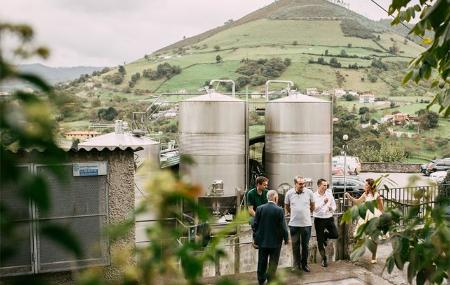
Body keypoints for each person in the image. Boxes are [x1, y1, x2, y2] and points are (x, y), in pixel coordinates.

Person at [252, 190, 289, 285]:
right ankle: (270, 280)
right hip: (276, 242)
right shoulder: (279, 210)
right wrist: (286, 239)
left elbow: (254, 225)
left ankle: (261, 280)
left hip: (262, 241)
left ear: (267, 198)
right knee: (273, 262)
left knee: (262, 262)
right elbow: (284, 227)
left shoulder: (260, 209)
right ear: (275, 198)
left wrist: (255, 239)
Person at [345, 178, 384, 264]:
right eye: (365, 184)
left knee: (374, 238)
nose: (364, 186)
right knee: (359, 236)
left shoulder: (377, 195)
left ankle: (374, 256)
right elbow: (357, 202)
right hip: (365, 216)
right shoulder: (365, 194)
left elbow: (381, 208)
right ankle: (357, 254)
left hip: (374, 216)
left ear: (370, 186)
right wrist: (349, 196)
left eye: (366, 185)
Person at [284, 176, 315, 272]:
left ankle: (304, 264)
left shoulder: (309, 192)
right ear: (295, 184)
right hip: (294, 224)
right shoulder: (289, 193)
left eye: (303, 183)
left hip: (306, 224)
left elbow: (313, 206)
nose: (303, 185)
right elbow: (287, 206)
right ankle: (296, 265)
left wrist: (306, 213)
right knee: (295, 246)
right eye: (300, 183)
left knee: (305, 245)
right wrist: (294, 213)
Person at [313, 178, 338, 267]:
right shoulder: (314, 196)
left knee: (335, 234)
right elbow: (314, 209)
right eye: (324, 185)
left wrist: (332, 209)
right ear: (319, 185)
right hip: (319, 219)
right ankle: (324, 259)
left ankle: (325, 236)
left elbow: (334, 205)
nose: (326, 187)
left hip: (329, 218)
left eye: (326, 185)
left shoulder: (329, 193)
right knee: (320, 242)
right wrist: (323, 203)